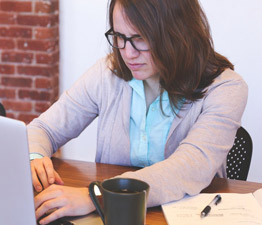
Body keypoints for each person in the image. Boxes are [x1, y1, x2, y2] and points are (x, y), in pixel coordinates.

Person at [28, 0, 248, 224]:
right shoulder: (107, 74)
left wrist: (97, 196)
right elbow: (44, 128)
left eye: (140, 38)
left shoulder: (226, 88)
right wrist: (35, 156)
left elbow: (191, 168)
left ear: (177, 31)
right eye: (119, 37)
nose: (128, 53)